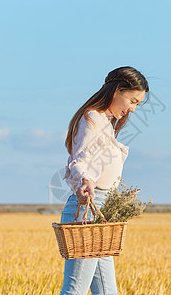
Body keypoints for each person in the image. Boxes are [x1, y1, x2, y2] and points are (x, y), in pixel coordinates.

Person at [60, 66, 149, 294]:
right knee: (75, 290)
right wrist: (84, 181)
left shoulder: (105, 123)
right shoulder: (93, 118)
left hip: (100, 213)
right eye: (133, 101)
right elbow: (79, 160)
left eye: (137, 104)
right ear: (118, 90)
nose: (133, 109)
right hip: (89, 211)